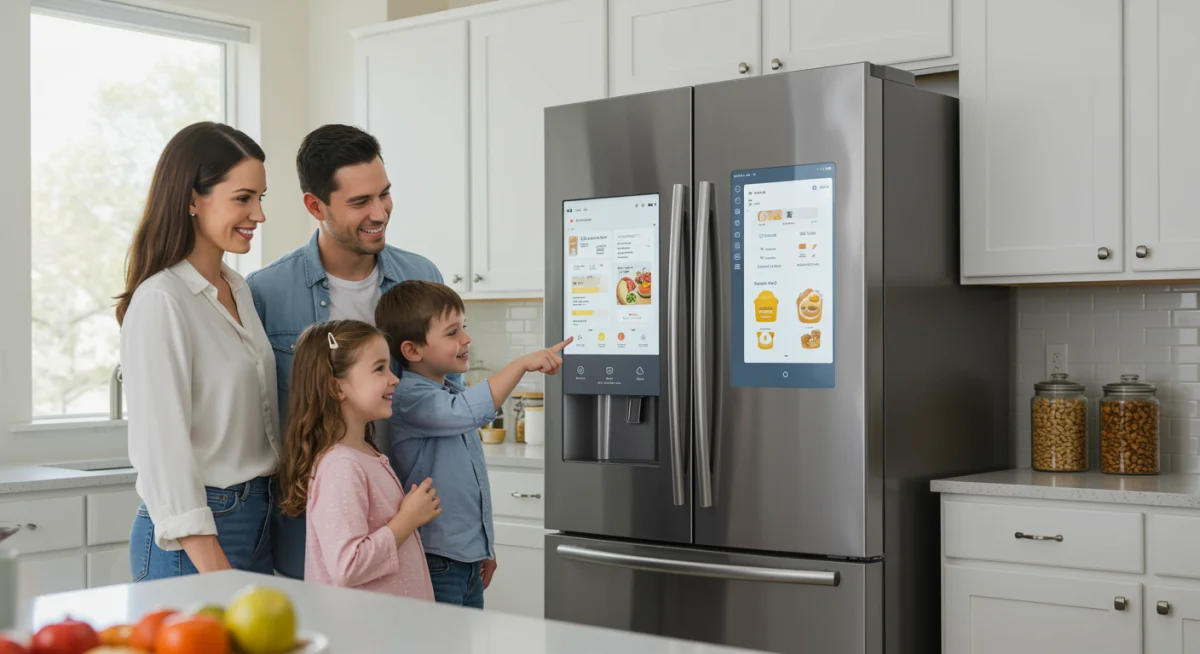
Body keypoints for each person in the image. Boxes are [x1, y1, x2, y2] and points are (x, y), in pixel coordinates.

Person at [246, 124, 453, 579]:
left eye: (385, 194)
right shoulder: (265, 292)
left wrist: (473, 533)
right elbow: (262, 425)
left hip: (420, 526)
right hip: (319, 540)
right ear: (315, 206)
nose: (379, 212)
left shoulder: (423, 276)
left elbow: (451, 411)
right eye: (360, 202)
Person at [117, 122, 279, 579]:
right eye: (243, 198)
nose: (258, 215)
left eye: (260, 198)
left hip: (256, 519)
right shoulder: (161, 301)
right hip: (198, 537)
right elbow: (161, 449)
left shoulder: (238, 288)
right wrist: (215, 568)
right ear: (192, 199)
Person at [375, 280, 571, 607]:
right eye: (452, 333)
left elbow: (472, 487)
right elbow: (467, 412)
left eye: (464, 328)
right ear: (412, 350)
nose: (467, 339)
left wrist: (485, 546)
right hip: (435, 558)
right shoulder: (409, 399)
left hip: (466, 559)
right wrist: (521, 364)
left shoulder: (449, 394)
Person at [277, 320, 439, 598]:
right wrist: (407, 520)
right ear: (337, 388)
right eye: (379, 369)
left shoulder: (363, 454)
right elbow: (347, 566)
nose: (394, 378)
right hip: (367, 632)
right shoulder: (342, 466)